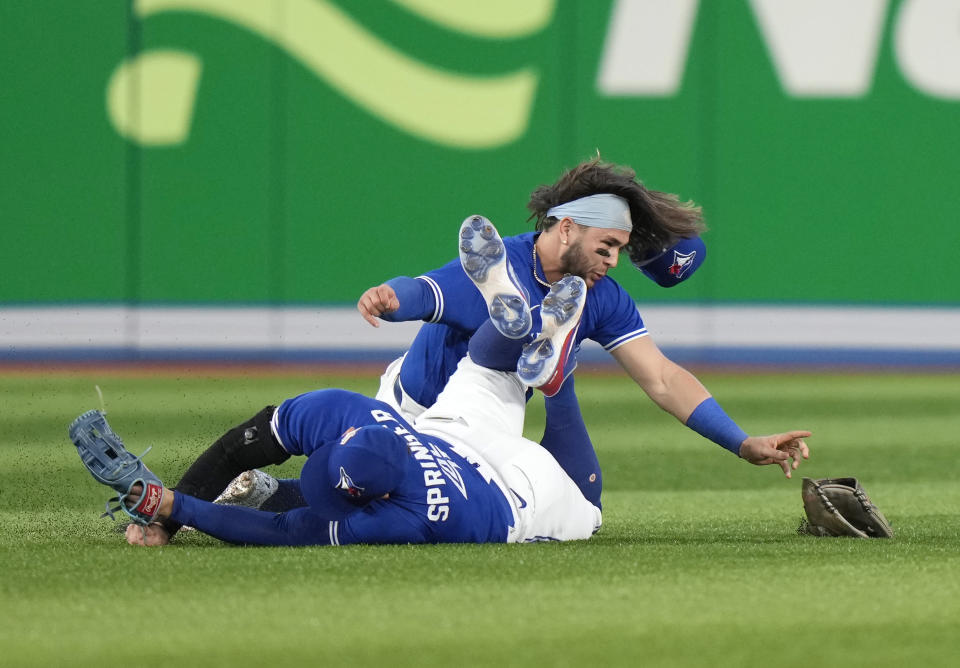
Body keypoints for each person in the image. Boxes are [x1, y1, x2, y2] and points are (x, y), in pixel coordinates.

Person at [118, 274, 608, 547]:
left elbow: (281, 530)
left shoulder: (406, 520)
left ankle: (555, 378)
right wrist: (170, 512)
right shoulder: (351, 413)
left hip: (522, 499)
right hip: (451, 441)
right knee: (483, 364)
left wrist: (176, 507)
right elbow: (239, 448)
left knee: (588, 511)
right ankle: (532, 319)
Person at [354, 157, 708, 507]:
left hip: (490, 419)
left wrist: (741, 443)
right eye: (607, 246)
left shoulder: (602, 295)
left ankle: (536, 332)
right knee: (387, 502)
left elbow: (662, 377)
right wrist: (389, 296)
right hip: (410, 416)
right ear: (567, 229)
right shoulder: (494, 258)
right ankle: (543, 339)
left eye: (619, 249)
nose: (614, 261)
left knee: (584, 506)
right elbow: (422, 293)